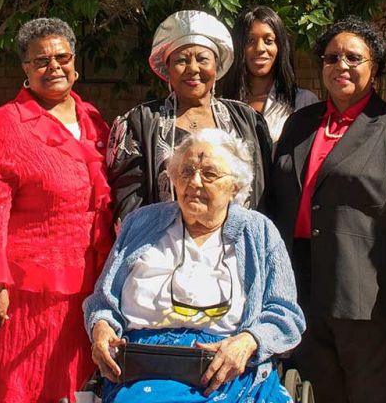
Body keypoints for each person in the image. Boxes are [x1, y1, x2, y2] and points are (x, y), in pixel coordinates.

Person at [263, 16, 386, 403]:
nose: (341, 65)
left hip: (371, 301)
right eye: (331, 58)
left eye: (353, 57)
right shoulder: (300, 125)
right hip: (302, 293)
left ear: (374, 67)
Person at [0, 17, 112, 403]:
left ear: (75, 62)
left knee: (64, 387)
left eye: (61, 57)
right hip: (19, 294)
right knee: (9, 385)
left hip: (79, 293)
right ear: (25, 69)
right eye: (41, 61)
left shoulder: (94, 121)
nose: (53, 66)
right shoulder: (5, 124)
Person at [86, 128, 306, 403]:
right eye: (186, 172)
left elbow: (285, 314)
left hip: (226, 370)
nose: (195, 183)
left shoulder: (259, 232)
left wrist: (249, 341)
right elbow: (102, 302)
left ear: (235, 185)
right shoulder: (140, 223)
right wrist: (102, 328)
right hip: (142, 371)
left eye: (210, 174)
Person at [106, 10, 273, 223]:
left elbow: (265, 195)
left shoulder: (248, 120)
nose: (193, 69)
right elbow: (128, 206)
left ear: (217, 64)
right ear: (167, 68)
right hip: (165, 249)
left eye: (203, 59)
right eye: (182, 60)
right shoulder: (140, 123)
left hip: (235, 248)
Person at [220, 5, 318, 143]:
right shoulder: (222, 106)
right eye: (250, 41)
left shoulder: (303, 101)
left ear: (280, 47)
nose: (260, 48)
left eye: (268, 41)